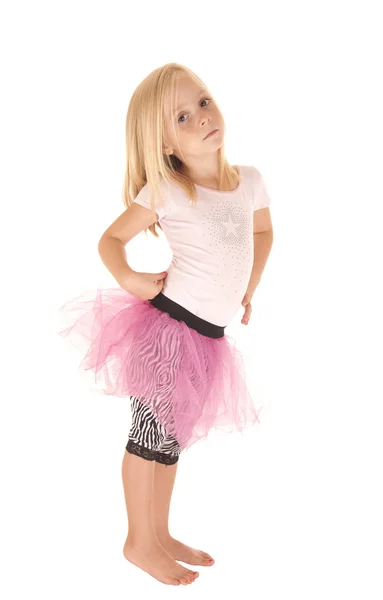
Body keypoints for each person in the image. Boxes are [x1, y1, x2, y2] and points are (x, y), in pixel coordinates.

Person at [57, 62, 274, 586]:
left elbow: (262, 232)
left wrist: (249, 286)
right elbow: (109, 241)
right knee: (149, 435)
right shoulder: (167, 191)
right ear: (166, 146)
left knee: (170, 439)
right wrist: (130, 278)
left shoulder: (250, 181)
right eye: (182, 116)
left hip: (208, 338)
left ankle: (160, 532)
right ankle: (139, 541)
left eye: (202, 101)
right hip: (170, 333)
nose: (201, 116)